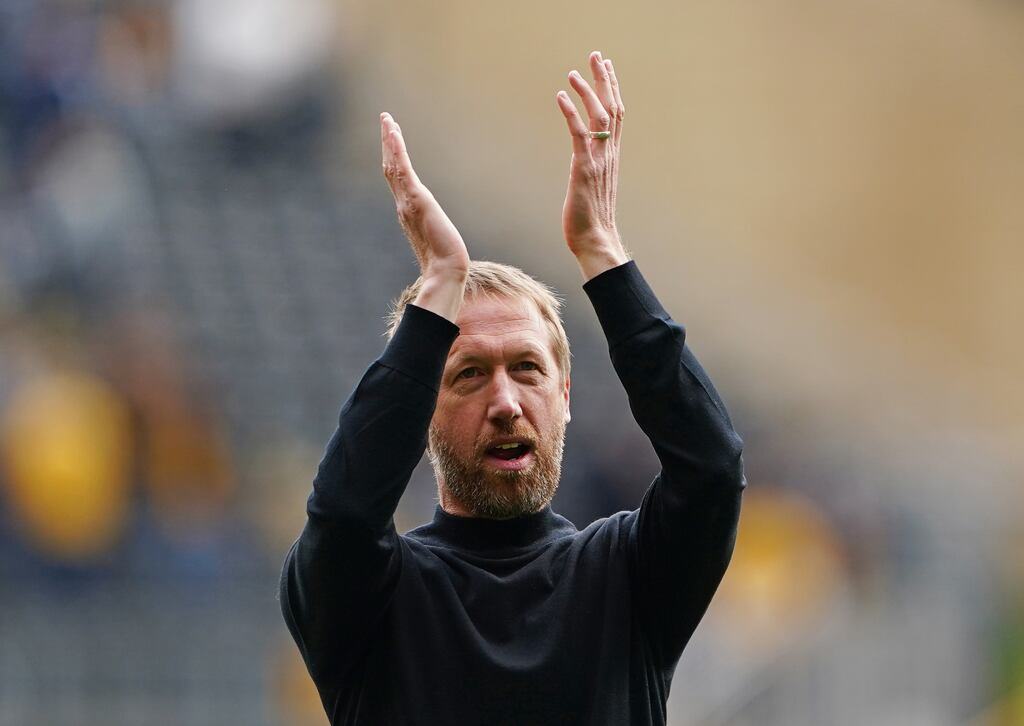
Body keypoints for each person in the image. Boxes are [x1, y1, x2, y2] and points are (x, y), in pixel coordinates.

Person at [279, 51, 746, 725]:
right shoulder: (372, 598)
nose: (504, 403)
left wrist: (603, 255)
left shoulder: (627, 577)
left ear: (565, 396)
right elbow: (345, 515)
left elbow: (711, 472)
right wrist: (440, 281)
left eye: (527, 369)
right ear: (421, 413)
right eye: (468, 375)